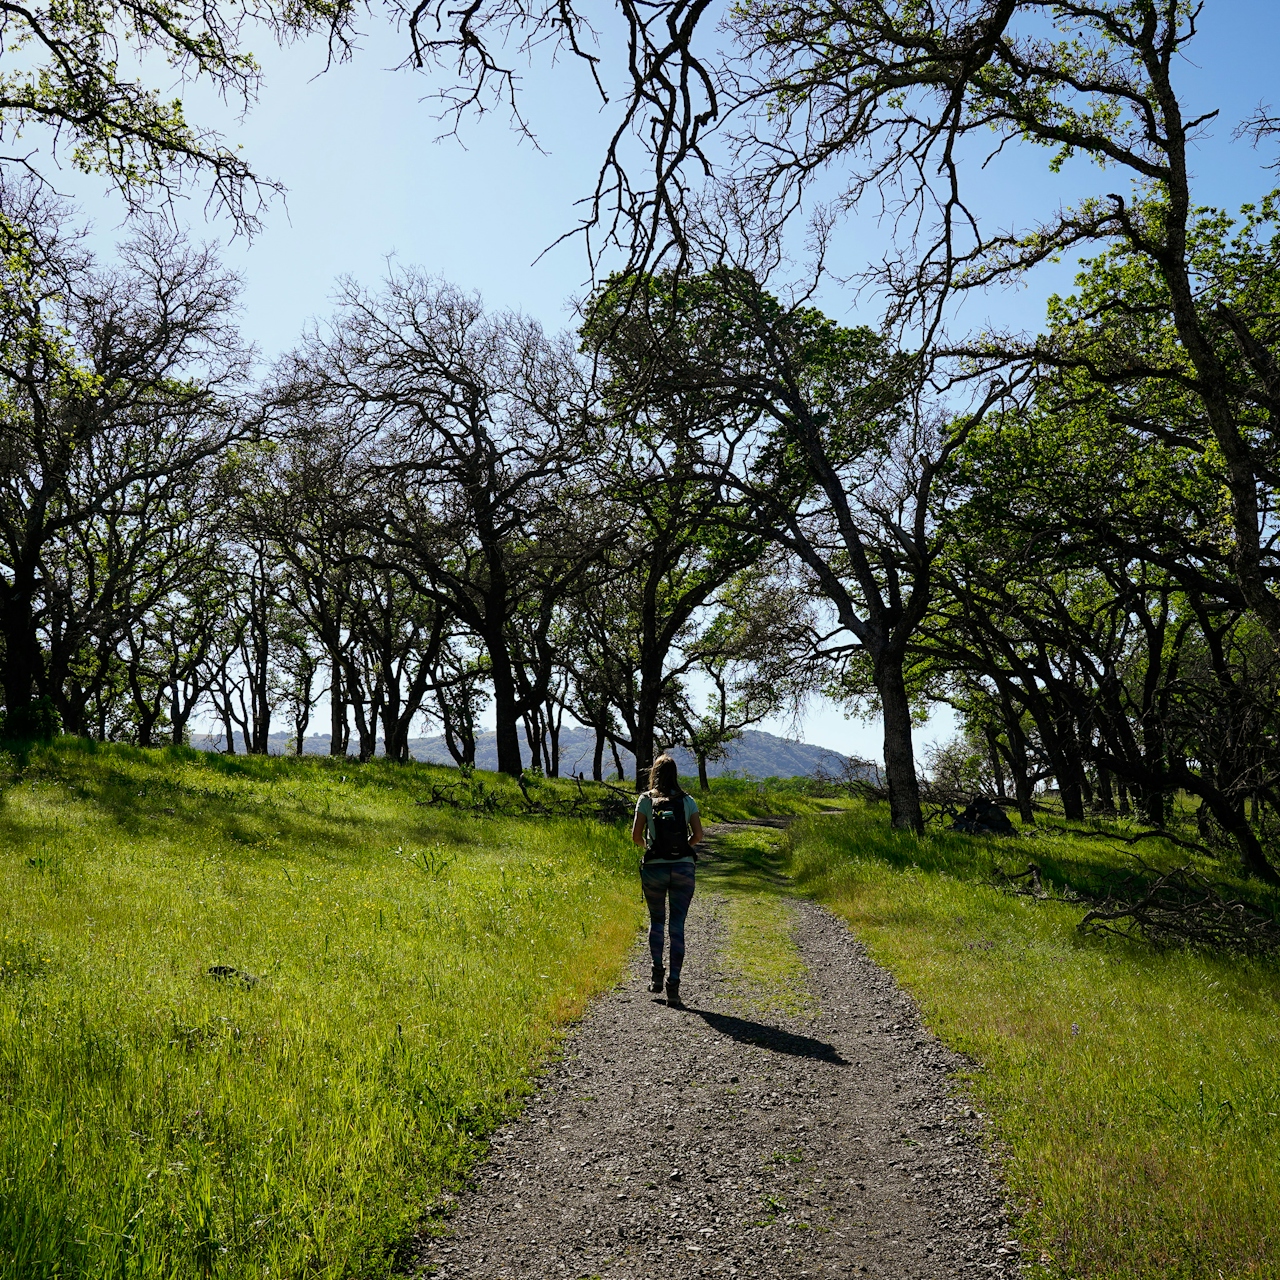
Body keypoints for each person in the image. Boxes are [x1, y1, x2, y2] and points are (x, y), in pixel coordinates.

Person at [631, 754, 704, 1007]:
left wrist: (652, 848)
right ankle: (674, 986)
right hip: (684, 868)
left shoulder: (645, 800)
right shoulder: (687, 800)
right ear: (676, 774)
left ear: (654, 772)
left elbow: (636, 836)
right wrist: (682, 848)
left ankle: (656, 975)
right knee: (677, 926)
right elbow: (698, 835)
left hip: (654, 868)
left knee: (657, 921)